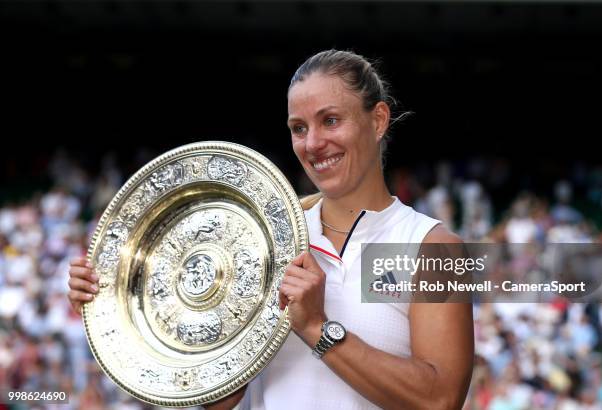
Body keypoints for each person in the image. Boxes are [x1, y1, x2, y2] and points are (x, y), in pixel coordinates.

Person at [68, 49, 474, 409]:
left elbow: (440, 398)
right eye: (299, 128)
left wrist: (316, 327)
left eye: (330, 121)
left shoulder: (435, 247)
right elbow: (225, 394)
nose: (313, 143)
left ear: (378, 119)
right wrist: (112, 297)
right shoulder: (263, 235)